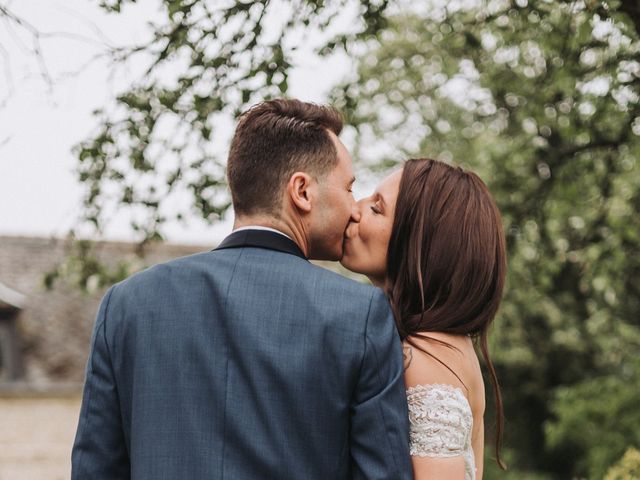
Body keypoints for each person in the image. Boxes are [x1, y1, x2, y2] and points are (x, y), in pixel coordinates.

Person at [71, 99, 413, 479]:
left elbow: (94, 470)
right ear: (302, 191)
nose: (354, 209)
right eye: (349, 188)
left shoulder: (127, 304)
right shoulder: (360, 314)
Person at [341, 158, 507, 480]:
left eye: (377, 209)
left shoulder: (425, 358)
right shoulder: (449, 346)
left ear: (421, 243)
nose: (355, 210)